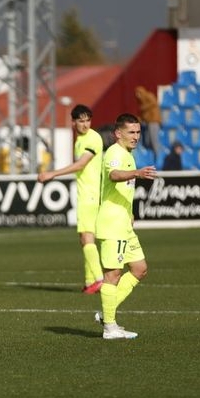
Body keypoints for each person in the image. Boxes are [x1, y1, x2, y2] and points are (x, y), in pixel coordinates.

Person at [94, 113, 156, 340]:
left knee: (139, 269)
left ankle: (106, 313)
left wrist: (130, 213)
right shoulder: (114, 152)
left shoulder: (128, 154)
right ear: (117, 134)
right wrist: (137, 173)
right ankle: (110, 328)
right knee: (113, 275)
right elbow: (113, 175)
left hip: (123, 224)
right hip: (111, 224)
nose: (136, 137)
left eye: (138, 132)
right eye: (131, 132)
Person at [37, 104, 104, 294]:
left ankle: (98, 278)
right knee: (84, 238)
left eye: (88, 120)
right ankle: (90, 281)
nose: (85, 124)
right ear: (73, 122)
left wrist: (52, 174)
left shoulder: (93, 138)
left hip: (91, 194)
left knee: (87, 236)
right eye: (81, 121)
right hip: (85, 194)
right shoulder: (80, 140)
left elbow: (81, 164)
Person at [134, 86, 162, 154]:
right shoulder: (141, 102)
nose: (138, 95)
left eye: (139, 93)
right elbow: (142, 115)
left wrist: (143, 108)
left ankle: (158, 157)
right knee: (148, 141)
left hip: (153, 121)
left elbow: (154, 103)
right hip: (147, 123)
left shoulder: (149, 96)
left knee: (154, 140)